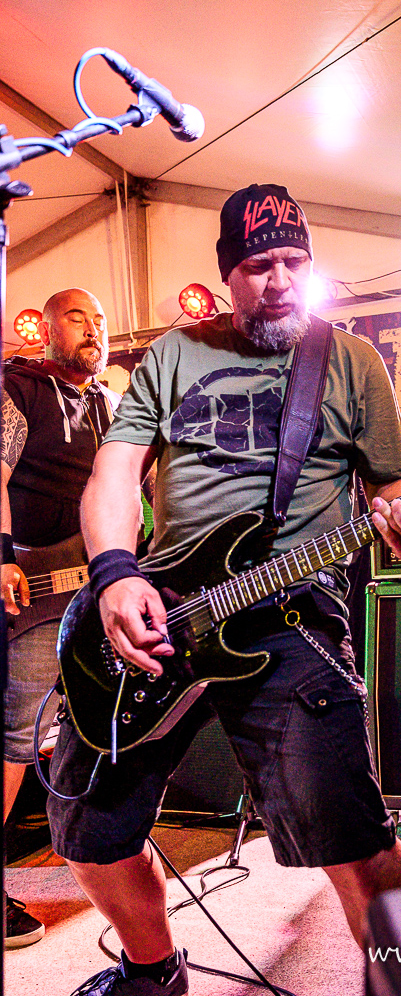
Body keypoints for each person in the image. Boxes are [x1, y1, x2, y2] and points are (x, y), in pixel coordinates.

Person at [46, 184, 401, 996]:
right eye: (259, 265)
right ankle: (152, 970)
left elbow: (395, 488)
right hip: (165, 611)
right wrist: (116, 572)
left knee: (351, 837)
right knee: (87, 825)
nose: (280, 280)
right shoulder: (173, 353)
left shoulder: (350, 361)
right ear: (228, 273)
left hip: (291, 619)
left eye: (294, 261)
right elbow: (115, 471)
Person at [1, 288, 117, 947]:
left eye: (99, 320)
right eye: (77, 318)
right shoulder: (19, 389)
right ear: (46, 329)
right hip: (37, 590)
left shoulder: (110, 402)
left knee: (105, 724)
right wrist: (1, 556)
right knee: (17, 737)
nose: (93, 329)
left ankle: (107, 857)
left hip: (96, 590)